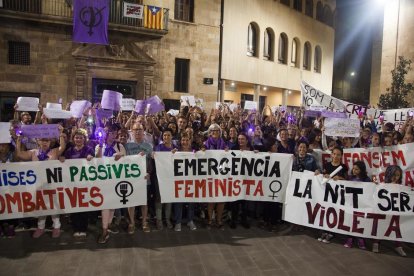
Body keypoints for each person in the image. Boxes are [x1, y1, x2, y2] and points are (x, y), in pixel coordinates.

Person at [15, 126, 66, 238]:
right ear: (38, 141)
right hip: (37, 184)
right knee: (41, 206)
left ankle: (56, 226)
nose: (44, 142)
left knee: (53, 206)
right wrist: (18, 140)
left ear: (50, 141)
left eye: (47, 140)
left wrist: (61, 133)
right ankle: (40, 227)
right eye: (42, 140)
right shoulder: (33, 152)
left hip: (52, 184)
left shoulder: (54, 152)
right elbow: (19, 154)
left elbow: (63, 147)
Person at [61, 128, 95, 238]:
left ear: (84, 139)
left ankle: (83, 228)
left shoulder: (89, 149)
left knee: (84, 206)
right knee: (74, 205)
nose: (78, 139)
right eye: (76, 137)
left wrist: (91, 158)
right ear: (73, 139)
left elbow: (93, 162)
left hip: (85, 183)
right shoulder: (69, 151)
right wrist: (61, 159)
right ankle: (76, 228)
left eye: (81, 137)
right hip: (72, 184)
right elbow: (64, 164)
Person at [95, 124, 126, 244]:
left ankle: (108, 224)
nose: (112, 135)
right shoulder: (99, 146)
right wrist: (101, 144)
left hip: (116, 179)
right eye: (110, 133)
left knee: (112, 204)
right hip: (103, 180)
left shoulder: (119, 145)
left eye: (114, 133)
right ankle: (104, 230)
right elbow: (97, 160)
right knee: (105, 205)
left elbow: (127, 161)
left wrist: (121, 156)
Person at [123, 123, 153, 233]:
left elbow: (151, 162)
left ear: (143, 131)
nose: (137, 132)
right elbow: (123, 162)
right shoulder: (127, 146)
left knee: (144, 202)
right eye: (135, 130)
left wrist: (149, 172)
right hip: (132, 179)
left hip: (145, 179)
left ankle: (144, 222)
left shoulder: (149, 146)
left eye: (139, 130)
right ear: (131, 131)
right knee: (131, 202)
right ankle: (132, 223)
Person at [372, 165, 407, 257]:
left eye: (397, 175)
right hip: (384, 212)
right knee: (380, 225)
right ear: (388, 175)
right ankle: (376, 242)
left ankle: (398, 246)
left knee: (397, 228)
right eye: (393, 175)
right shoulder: (382, 185)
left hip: (395, 212)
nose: (395, 177)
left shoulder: (402, 187)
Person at [317, 146, 348, 244]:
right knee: (326, 211)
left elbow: (348, 180)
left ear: (341, 156)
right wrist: (321, 174)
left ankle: (332, 232)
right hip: (327, 194)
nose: (336, 156)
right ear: (331, 155)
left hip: (338, 195)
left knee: (335, 211)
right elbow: (322, 177)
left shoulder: (344, 167)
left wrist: (340, 178)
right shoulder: (327, 165)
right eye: (334, 154)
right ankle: (325, 230)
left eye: (338, 155)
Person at [204, 123, 227, 229]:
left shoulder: (224, 144)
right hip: (210, 175)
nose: (215, 132)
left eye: (217, 130)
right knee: (211, 199)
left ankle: (219, 219)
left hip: (221, 175)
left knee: (221, 199)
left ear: (220, 132)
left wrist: (227, 152)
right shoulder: (205, 144)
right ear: (209, 132)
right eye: (213, 131)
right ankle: (209, 220)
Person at [172, 133, 197, 232]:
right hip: (179, 180)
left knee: (191, 201)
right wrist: (171, 154)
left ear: (190, 141)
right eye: (183, 140)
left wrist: (202, 153)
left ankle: (190, 220)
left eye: (187, 140)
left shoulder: (194, 152)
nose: (185, 142)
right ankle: (178, 222)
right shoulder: (176, 152)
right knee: (178, 201)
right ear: (180, 141)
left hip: (191, 181)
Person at [343, 161, 370, 249]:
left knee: (360, 222)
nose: (354, 171)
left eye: (357, 169)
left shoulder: (367, 180)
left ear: (362, 170)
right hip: (351, 205)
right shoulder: (349, 178)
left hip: (361, 205)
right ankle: (350, 238)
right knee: (350, 221)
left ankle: (360, 238)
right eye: (353, 169)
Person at [153, 129, 176, 230]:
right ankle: (159, 219)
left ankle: (167, 219)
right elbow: (155, 157)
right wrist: (153, 155)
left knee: (169, 198)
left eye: (168, 135)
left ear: (172, 137)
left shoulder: (176, 148)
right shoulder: (159, 147)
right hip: (160, 177)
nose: (166, 137)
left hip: (171, 178)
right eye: (164, 135)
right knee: (159, 198)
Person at [229, 133, 252, 229]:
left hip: (247, 179)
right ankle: (234, 220)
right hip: (236, 179)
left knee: (245, 202)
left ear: (247, 140)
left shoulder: (251, 149)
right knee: (235, 201)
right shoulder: (234, 149)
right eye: (239, 139)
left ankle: (244, 220)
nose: (240, 141)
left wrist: (257, 154)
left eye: (242, 139)